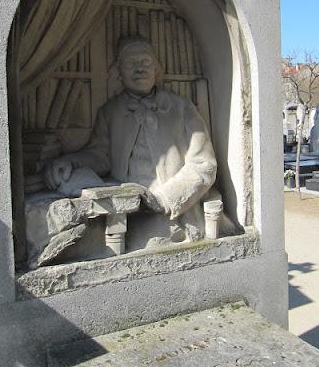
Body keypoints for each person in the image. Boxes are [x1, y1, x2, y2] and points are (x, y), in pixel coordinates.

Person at [44, 37, 218, 246]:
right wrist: (71, 161)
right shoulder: (110, 111)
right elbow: (101, 156)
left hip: (171, 214)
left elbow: (203, 165)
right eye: (130, 64)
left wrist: (164, 199)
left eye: (145, 62)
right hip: (123, 212)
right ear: (119, 72)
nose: (139, 69)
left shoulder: (182, 109)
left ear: (156, 69)